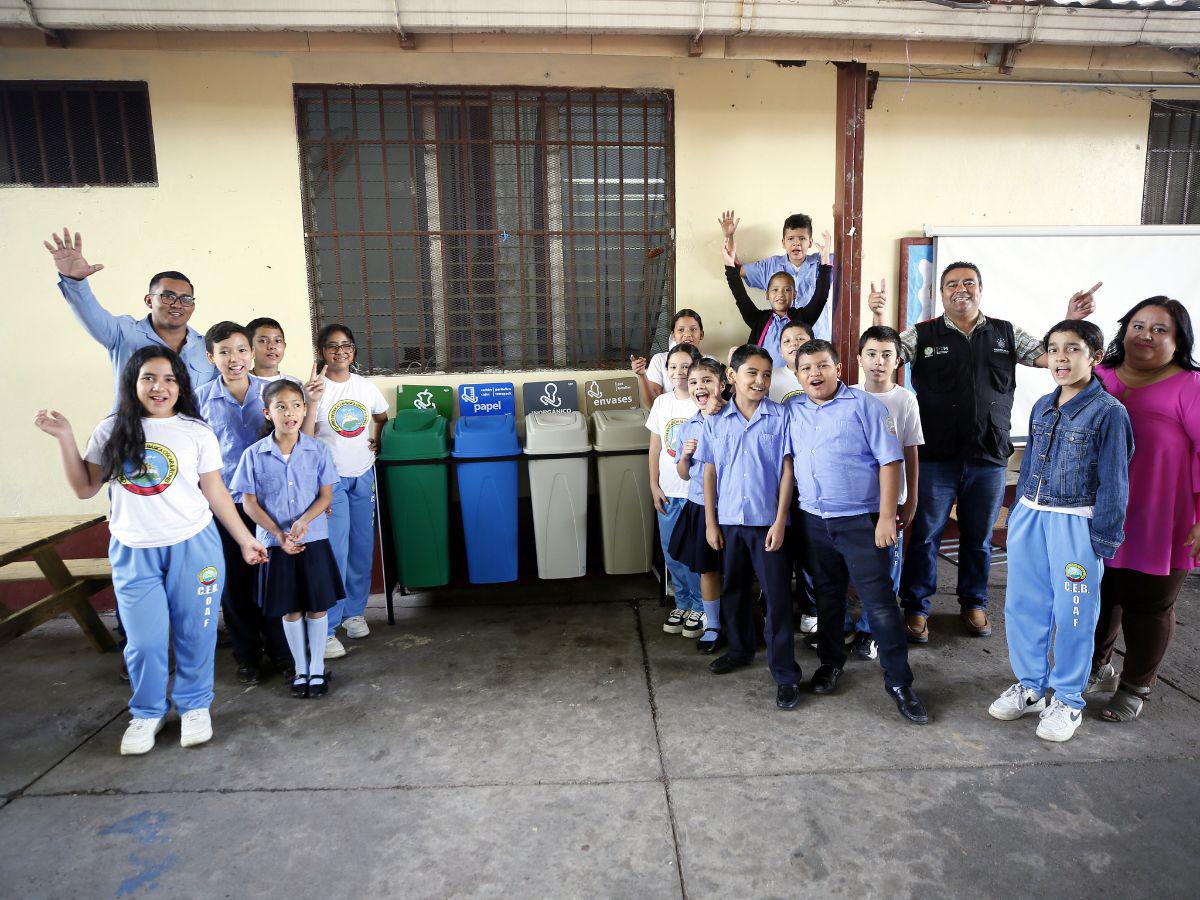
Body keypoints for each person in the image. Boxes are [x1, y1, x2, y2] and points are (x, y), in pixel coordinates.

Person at [34, 346, 267, 755]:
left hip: (194, 546)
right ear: (133, 384)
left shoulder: (196, 431)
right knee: (144, 640)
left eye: (169, 379)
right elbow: (86, 487)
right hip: (134, 548)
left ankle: (195, 706)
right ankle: (147, 712)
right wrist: (66, 438)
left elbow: (215, 492)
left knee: (197, 633)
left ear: (181, 386)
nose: (159, 387)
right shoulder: (112, 430)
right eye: (149, 378)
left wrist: (246, 538)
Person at [869, 265, 1100, 642]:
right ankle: (917, 608)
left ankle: (973, 603)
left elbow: (1050, 357)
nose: (961, 290)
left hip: (988, 456)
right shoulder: (924, 334)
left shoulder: (1005, 333)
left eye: (968, 283)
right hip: (936, 457)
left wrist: (1070, 321)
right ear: (941, 293)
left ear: (980, 290)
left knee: (978, 537)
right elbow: (888, 354)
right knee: (925, 536)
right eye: (952, 284)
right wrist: (878, 317)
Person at [989, 321, 1133, 742]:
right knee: (1024, 607)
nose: (1061, 358)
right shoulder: (1042, 406)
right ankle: (1031, 687)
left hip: (1076, 523)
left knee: (1074, 616)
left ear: (1095, 357)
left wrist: (1103, 539)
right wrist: (1018, 515)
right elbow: (1031, 463)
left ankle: (1068, 699)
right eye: (1054, 349)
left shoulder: (1109, 413)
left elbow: (1115, 483)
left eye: (1073, 349)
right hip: (1032, 517)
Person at [788, 339, 929, 724]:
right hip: (813, 520)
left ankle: (899, 682)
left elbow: (890, 460)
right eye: (806, 369)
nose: (815, 374)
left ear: (838, 368)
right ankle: (831, 663)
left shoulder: (867, 407)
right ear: (798, 375)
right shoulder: (793, 409)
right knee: (828, 598)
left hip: (861, 522)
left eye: (822, 366)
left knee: (880, 602)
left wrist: (887, 517)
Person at [1088, 297, 1200, 722]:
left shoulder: (1190, 386)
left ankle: (1136, 685)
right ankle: (1096, 669)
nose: (1146, 336)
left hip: (1162, 519)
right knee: (1098, 596)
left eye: (1159, 329)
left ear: (1178, 340)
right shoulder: (1097, 376)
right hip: (1097, 513)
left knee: (1148, 606)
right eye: (1138, 325)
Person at [694, 345, 801, 709]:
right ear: (732, 376)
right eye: (752, 373)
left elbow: (787, 470)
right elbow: (709, 470)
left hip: (767, 523)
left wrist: (781, 520)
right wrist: (711, 521)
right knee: (734, 589)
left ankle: (785, 672)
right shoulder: (715, 420)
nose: (760, 381)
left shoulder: (780, 416)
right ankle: (740, 650)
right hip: (728, 523)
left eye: (766, 374)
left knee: (777, 597)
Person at [232, 379, 344, 700]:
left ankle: (318, 668)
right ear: (268, 412)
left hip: (314, 540)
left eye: (296, 405)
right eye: (281, 406)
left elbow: (325, 497)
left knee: (317, 608)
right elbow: (249, 503)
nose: (290, 412)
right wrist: (279, 534)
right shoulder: (254, 455)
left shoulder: (317, 450)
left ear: (305, 409)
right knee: (290, 610)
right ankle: (301, 669)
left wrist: (304, 521)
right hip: (274, 544)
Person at [195, 322, 290, 684]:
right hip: (224, 508)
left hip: (271, 507)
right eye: (224, 352)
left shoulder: (273, 392)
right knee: (234, 584)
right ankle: (247, 656)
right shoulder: (199, 400)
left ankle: (282, 651)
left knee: (274, 579)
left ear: (251, 353)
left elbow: (295, 442)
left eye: (240, 350)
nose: (234, 359)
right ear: (211, 357)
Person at [43, 228, 216, 400]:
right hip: (130, 427)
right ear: (149, 301)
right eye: (168, 296)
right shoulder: (123, 333)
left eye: (185, 299)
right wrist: (75, 281)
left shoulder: (207, 348)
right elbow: (90, 314)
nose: (177, 304)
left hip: (188, 428)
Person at [303, 324, 389, 658]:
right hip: (330, 480)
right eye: (332, 346)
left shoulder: (365, 387)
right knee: (334, 552)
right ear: (321, 351)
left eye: (347, 346)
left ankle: (355, 613)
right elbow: (306, 438)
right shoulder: (313, 388)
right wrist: (311, 401)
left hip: (363, 475)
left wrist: (377, 436)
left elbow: (381, 415)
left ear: (354, 351)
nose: (340, 352)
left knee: (361, 548)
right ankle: (327, 628)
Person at [842, 326, 923, 661]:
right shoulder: (846, 395)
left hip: (890, 503)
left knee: (886, 571)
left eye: (886, 354)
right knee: (850, 568)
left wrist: (912, 499)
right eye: (871, 354)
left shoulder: (904, 399)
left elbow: (911, 452)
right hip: (853, 502)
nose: (878, 361)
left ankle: (871, 632)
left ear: (898, 360)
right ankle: (846, 624)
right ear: (859, 358)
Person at [672, 357, 730, 653]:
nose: (699, 387)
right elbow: (684, 473)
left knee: (735, 569)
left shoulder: (734, 416)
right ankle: (713, 624)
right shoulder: (688, 426)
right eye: (693, 382)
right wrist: (684, 457)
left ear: (722, 384)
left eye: (707, 380)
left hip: (731, 507)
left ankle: (737, 621)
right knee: (707, 570)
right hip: (697, 505)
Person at [646, 344, 704, 637]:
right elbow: (655, 447)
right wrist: (654, 485)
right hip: (668, 492)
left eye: (685, 366)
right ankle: (681, 602)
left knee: (695, 551)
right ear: (666, 371)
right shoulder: (662, 404)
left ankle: (700, 606)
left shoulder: (702, 402)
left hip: (695, 494)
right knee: (672, 551)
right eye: (673, 367)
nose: (679, 372)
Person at [719, 210, 836, 341]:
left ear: (810, 242)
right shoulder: (770, 266)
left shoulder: (824, 261)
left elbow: (857, 257)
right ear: (783, 242)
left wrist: (840, 216)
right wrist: (729, 237)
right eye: (790, 238)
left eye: (802, 238)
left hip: (817, 340)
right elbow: (735, 270)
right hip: (781, 342)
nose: (796, 243)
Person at [721, 235, 831, 370]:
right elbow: (740, 297)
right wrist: (730, 266)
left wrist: (825, 262)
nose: (780, 294)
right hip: (762, 383)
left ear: (794, 295)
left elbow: (820, 298)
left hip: (796, 382)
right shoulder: (758, 319)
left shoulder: (803, 319)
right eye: (775, 290)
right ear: (767, 295)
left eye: (787, 290)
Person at [631, 310, 705, 408]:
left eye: (693, 329)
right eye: (681, 330)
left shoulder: (708, 362)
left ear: (701, 334)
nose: (687, 334)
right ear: (673, 335)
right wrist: (642, 375)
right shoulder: (660, 360)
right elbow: (653, 405)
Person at [768, 322, 811, 405]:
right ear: (781, 352)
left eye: (800, 339)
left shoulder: (824, 375)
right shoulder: (769, 376)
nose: (793, 343)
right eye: (787, 341)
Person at [246, 317, 299, 383]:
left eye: (277, 341)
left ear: (284, 346)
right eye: (263, 341)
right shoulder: (238, 384)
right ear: (249, 347)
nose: (272, 346)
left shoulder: (296, 385)